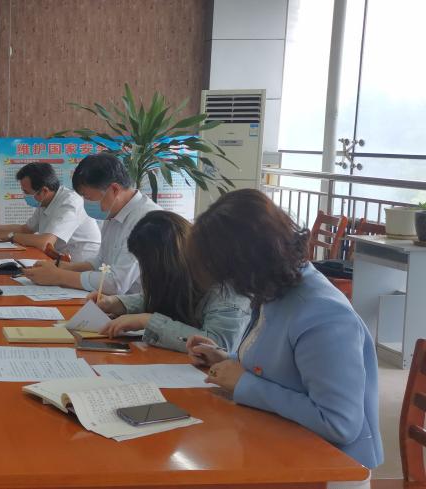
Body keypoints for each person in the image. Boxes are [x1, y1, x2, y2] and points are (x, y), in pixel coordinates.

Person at [186, 189, 382, 484]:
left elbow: (338, 423)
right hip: (280, 448)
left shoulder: (322, 314)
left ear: (249, 263)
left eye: (228, 275)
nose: (229, 286)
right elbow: (285, 369)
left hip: (328, 470)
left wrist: (244, 383)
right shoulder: (277, 288)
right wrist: (226, 359)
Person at [88, 211, 250, 352]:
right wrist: (116, 303)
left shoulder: (228, 287)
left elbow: (218, 346)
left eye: (148, 267)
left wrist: (147, 321)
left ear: (166, 265)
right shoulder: (186, 271)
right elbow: (167, 295)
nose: (144, 274)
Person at [24, 153, 161, 293]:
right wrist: (61, 266)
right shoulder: (114, 212)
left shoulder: (147, 221)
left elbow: (116, 283)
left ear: (114, 190)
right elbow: (101, 262)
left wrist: (59, 276)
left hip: (142, 303)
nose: (85, 203)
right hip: (113, 300)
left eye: (88, 197)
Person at [0, 162, 100, 262]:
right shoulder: (45, 201)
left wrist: (11, 236)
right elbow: (26, 229)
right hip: (59, 258)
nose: (25, 196)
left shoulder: (69, 203)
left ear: (44, 191)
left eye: (27, 192)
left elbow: (45, 242)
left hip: (81, 265)